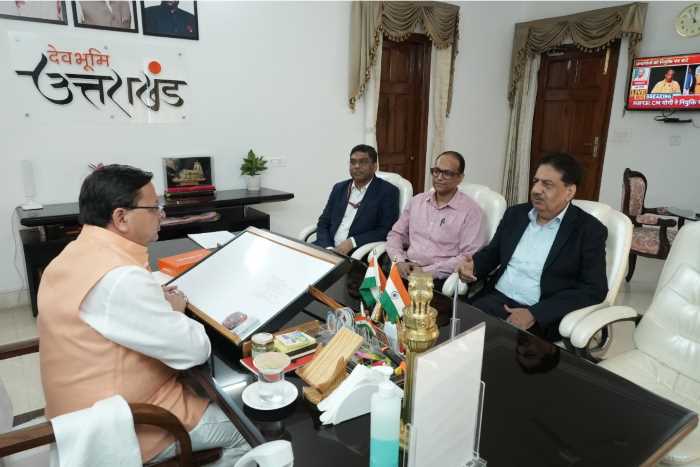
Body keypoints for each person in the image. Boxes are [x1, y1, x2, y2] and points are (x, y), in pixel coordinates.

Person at [37, 165, 248, 465]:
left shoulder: (74, 253)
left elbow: (113, 308)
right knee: (249, 430)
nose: (162, 214)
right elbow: (194, 350)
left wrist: (152, 302)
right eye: (154, 208)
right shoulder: (120, 279)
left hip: (75, 411)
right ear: (121, 218)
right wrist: (176, 312)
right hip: (127, 422)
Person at [458, 153, 607, 342]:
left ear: (569, 192)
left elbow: (594, 289)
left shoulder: (589, 230)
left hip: (540, 315)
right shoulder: (516, 214)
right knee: (453, 339)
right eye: (536, 181)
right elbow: (493, 253)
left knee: (499, 354)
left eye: (547, 185)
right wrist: (473, 267)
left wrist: (535, 313)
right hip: (494, 300)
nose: (536, 190)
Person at [385, 150, 485, 283]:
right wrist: (399, 261)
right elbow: (396, 234)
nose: (439, 177)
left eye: (447, 173)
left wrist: (426, 272)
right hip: (405, 267)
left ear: (460, 178)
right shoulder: (417, 201)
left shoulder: (471, 212)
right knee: (372, 290)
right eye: (436, 171)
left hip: (436, 277)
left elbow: (467, 256)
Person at [315, 144, 399, 255]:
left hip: (357, 253)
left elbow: (385, 230)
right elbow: (323, 222)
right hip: (327, 248)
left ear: (375, 166)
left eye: (363, 162)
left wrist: (353, 242)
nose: (356, 166)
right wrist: (328, 247)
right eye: (353, 162)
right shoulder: (339, 188)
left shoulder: (387, 191)